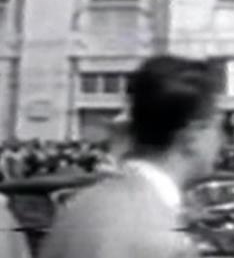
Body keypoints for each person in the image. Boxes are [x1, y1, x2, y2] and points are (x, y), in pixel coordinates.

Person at [40, 54, 221, 258]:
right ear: (192, 135)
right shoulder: (161, 235)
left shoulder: (79, 205)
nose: (221, 139)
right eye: (218, 126)